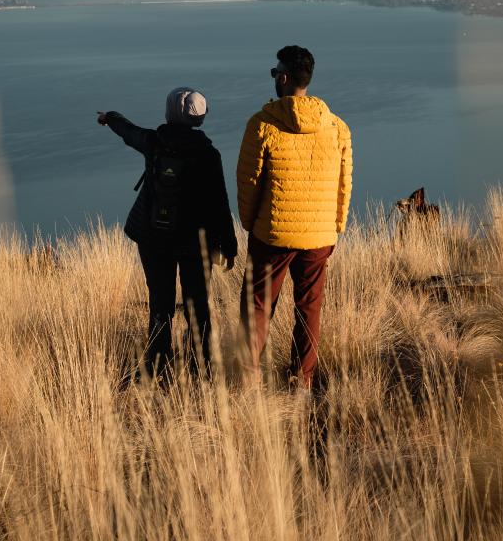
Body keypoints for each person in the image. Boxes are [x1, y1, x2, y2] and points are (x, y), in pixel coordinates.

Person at [98, 87, 237, 381]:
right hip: (194, 242)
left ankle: (158, 366)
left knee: (160, 303)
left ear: (171, 112)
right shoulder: (209, 154)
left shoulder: (154, 142)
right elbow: (219, 201)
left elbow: (129, 132)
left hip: (154, 238)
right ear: (200, 118)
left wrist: (110, 117)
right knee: (197, 305)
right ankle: (203, 368)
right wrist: (229, 243)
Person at [236, 45, 352, 390]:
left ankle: (248, 379)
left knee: (258, 305)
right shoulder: (336, 127)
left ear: (283, 78)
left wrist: (250, 224)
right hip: (319, 237)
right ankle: (302, 380)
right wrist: (336, 227)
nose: (274, 78)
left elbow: (249, 182)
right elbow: (344, 183)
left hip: (272, 234)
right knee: (309, 307)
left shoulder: (262, 125)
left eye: (275, 73)